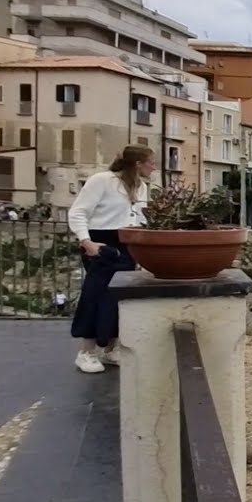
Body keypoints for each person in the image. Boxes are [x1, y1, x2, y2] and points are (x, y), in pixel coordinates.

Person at [67, 145, 153, 373]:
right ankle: (86, 352)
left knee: (119, 298)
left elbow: (140, 218)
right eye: (150, 162)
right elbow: (78, 212)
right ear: (138, 164)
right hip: (102, 242)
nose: (153, 167)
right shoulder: (102, 180)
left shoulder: (141, 187)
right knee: (97, 294)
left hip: (127, 243)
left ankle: (110, 350)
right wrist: (87, 242)